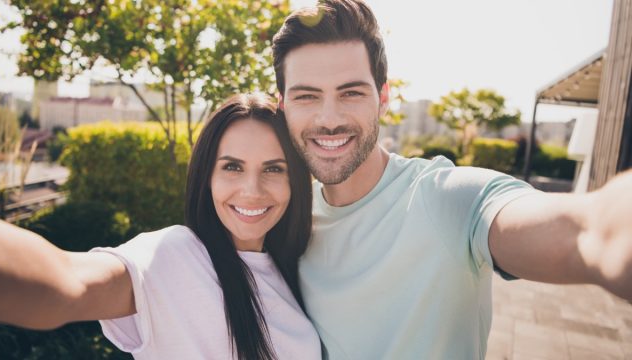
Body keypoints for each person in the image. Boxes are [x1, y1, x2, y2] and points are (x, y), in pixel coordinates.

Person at [271, 0, 632, 359]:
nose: (329, 118)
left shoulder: (444, 198)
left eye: (351, 92)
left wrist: (608, 228)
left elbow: (585, 229)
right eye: (307, 96)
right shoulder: (286, 218)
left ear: (383, 98)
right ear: (284, 104)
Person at [0, 93, 321, 360]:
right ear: (207, 177)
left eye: (274, 169)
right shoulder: (175, 256)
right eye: (232, 167)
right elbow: (65, 283)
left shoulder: (298, 266)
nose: (252, 190)